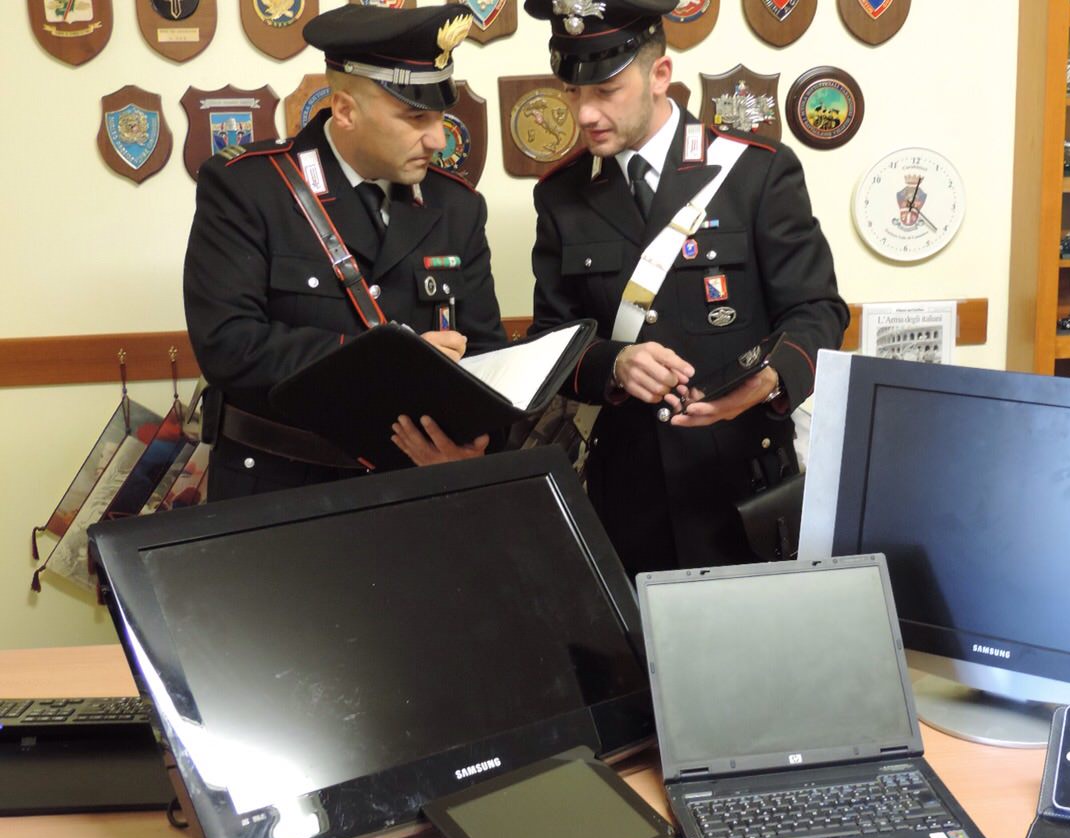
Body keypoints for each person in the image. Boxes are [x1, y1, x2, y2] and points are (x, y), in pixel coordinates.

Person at [524, 0, 847, 575]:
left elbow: (817, 311)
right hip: (626, 497)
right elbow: (555, 339)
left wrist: (771, 381)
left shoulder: (755, 173)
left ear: (660, 76)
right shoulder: (560, 197)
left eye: (607, 90)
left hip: (744, 486)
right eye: (573, 93)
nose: (586, 113)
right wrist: (614, 365)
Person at [184, 3, 506, 501]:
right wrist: (383, 362)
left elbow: (485, 351)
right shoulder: (249, 188)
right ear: (346, 110)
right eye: (416, 116)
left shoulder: (456, 206)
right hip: (281, 492)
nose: (439, 139)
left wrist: (474, 453)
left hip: (416, 493)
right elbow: (230, 347)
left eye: (442, 116)